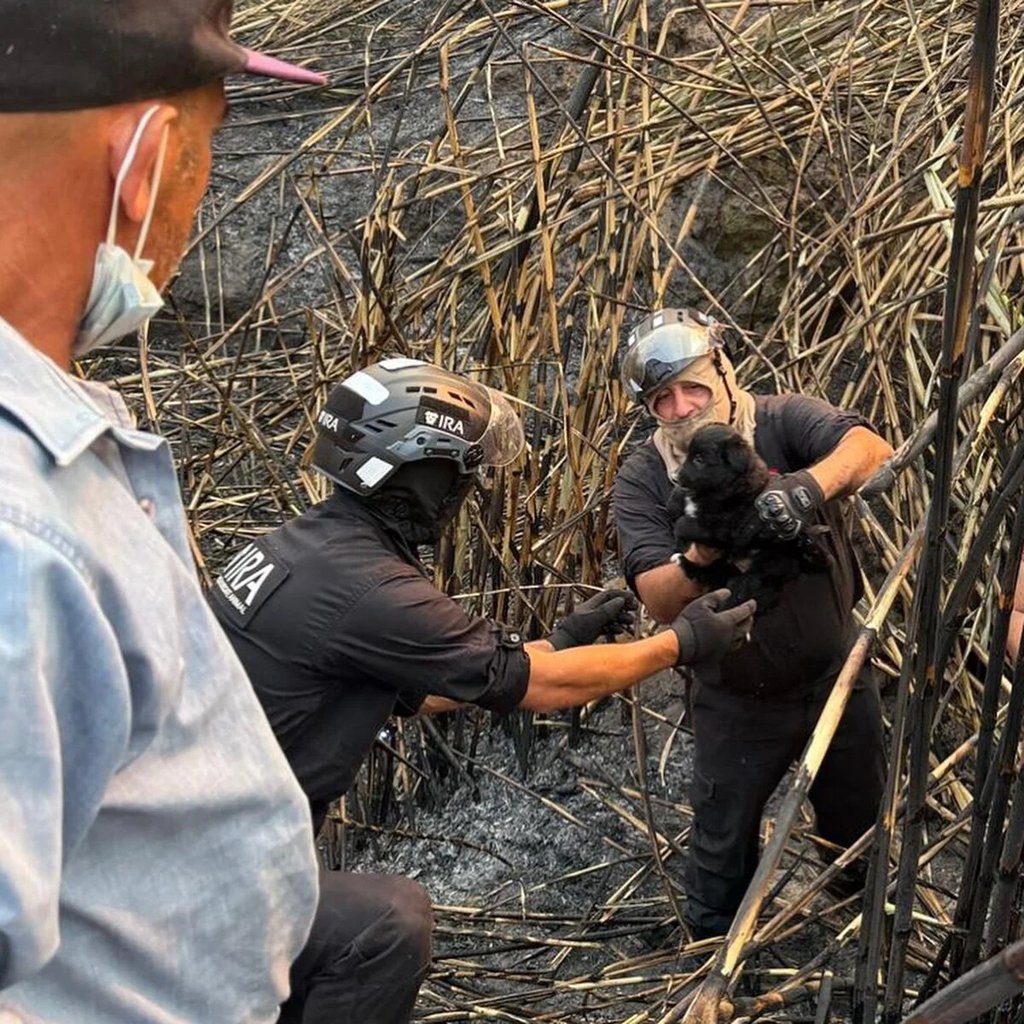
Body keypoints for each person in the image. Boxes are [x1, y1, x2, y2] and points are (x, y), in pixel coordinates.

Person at [209, 357, 757, 1023]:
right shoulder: (371, 591)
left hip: (203, 845)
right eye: (460, 471)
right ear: (419, 473)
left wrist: (559, 641)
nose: (468, 486)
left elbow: (439, 683)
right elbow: (536, 690)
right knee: (387, 924)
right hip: (213, 880)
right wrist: (681, 644)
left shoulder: (307, 549)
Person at [0, 3, 330, 1021]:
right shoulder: (20, 528)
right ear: (148, 156)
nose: (195, 197)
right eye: (209, 145)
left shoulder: (60, 444)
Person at [612, 307, 894, 938]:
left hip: (837, 677)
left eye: (694, 386)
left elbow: (871, 450)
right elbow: (658, 598)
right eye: (663, 399)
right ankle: (713, 954)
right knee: (721, 842)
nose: (683, 407)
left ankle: (859, 927)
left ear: (724, 371)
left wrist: (800, 491)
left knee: (860, 821)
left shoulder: (781, 419)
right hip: (735, 697)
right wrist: (705, 550)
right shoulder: (643, 476)